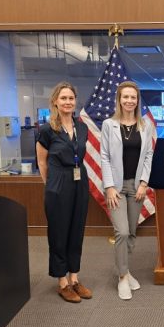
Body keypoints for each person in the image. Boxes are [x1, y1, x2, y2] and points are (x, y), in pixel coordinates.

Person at [36, 81, 92, 303]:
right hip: (58, 183)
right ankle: (62, 282)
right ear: (55, 102)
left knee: (76, 231)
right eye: (64, 98)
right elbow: (42, 162)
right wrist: (50, 186)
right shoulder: (47, 130)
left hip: (80, 180)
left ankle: (74, 278)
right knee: (59, 233)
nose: (68, 102)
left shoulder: (82, 128)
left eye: (71, 98)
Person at [101, 81, 155, 300]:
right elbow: (104, 155)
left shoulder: (145, 125)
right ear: (119, 99)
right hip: (116, 186)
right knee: (121, 232)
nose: (130, 101)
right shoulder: (109, 124)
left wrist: (144, 183)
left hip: (136, 186)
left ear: (137, 100)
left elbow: (149, 154)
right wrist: (109, 186)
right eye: (126, 97)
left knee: (132, 232)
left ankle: (125, 269)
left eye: (133, 97)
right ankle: (123, 277)